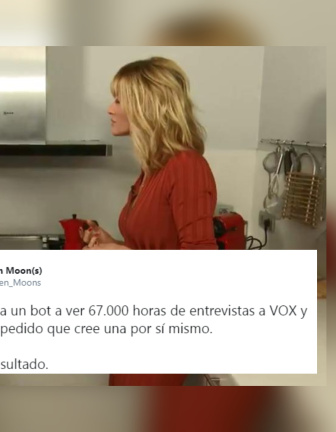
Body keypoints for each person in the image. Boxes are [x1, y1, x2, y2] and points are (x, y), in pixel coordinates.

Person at [81, 56, 218, 386]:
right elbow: (154, 246)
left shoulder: (187, 167)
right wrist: (112, 243)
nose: (110, 109)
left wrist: (123, 256)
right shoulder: (153, 169)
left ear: (146, 106)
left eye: (118, 100)